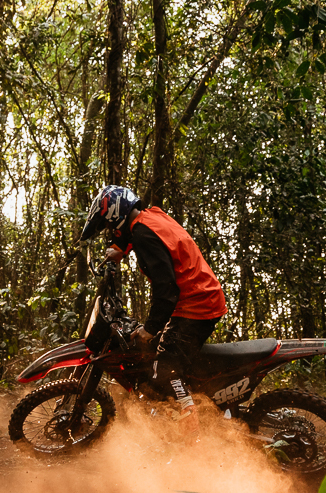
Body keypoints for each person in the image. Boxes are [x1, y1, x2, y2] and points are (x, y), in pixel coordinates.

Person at [81, 185, 227, 432]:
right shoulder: (151, 216)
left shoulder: (142, 236)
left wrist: (150, 328)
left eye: (108, 224)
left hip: (197, 304)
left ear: (115, 215)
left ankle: (193, 432)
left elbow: (166, 288)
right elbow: (139, 234)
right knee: (155, 355)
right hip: (199, 296)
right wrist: (120, 249)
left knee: (165, 368)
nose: (109, 229)